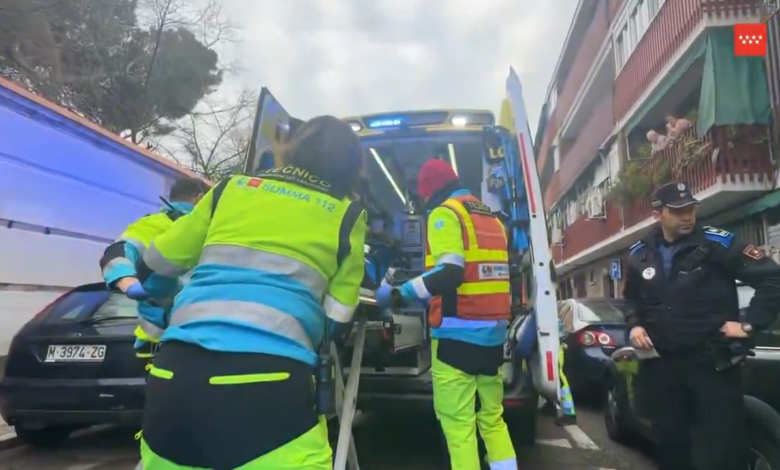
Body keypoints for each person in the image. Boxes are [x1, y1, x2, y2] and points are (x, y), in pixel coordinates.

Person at [130, 115, 367, 470]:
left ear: (294, 149)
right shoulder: (347, 217)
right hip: (268, 387)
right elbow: (337, 319)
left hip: (173, 380)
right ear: (351, 169)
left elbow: (154, 264)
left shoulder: (230, 188)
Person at [623, 181, 780, 470]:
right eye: (678, 211)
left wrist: (749, 324)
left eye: (691, 209)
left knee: (724, 450)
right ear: (658, 214)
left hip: (712, 366)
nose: (687, 216)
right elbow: (631, 298)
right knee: (670, 447)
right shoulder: (639, 253)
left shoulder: (718, 243)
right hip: (663, 367)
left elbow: (772, 279)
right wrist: (635, 325)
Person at [376, 159, 517, 470]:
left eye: (424, 196)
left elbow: (450, 273)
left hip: (456, 338)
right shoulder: (491, 219)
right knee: (493, 421)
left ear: (431, 191)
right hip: (493, 337)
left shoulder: (446, 214)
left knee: (459, 428)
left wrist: (400, 293)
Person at [99, 178, 208, 359]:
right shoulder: (208, 228)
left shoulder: (153, 224)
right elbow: (121, 252)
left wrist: (130, 285)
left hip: (155, 344)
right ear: (200, 198)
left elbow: (117, 253)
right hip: (188, 342)